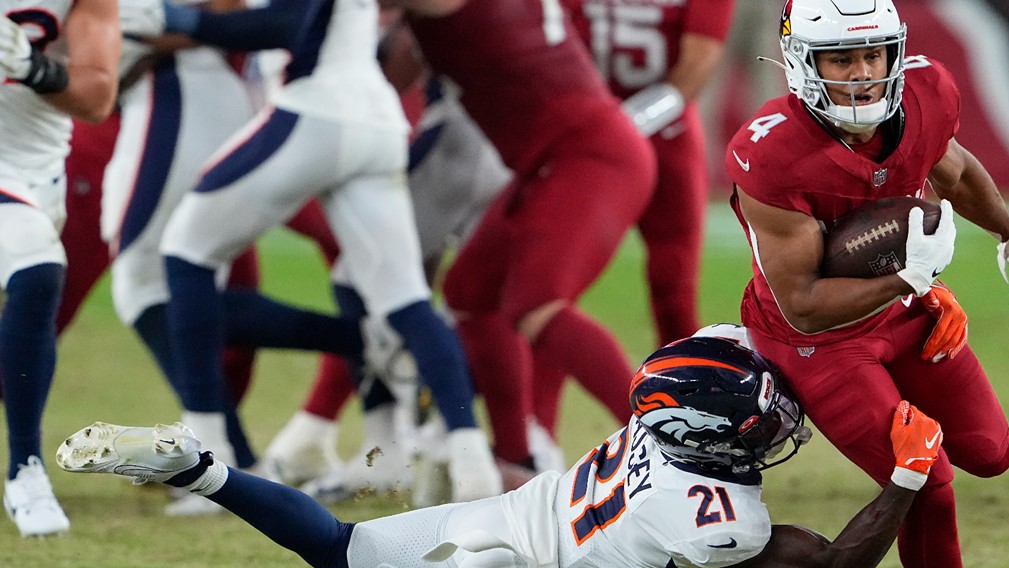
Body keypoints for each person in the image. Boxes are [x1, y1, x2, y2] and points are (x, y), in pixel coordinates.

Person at [21, 333, 944, 568]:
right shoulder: (718, 513)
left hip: (500, 514)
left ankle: (199, 468)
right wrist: (906, 473)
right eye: (761, 419)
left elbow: (747, 345)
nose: (780, 427)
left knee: (339, 545)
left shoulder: (670, 394)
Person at [723, 1, 1009, 568]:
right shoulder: (771, 153)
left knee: (990, 453)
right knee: (927, 475)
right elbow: (805, 306)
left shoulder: (926, 93)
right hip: (815, 342)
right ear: (800, 62)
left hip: (901, 311)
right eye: (841, 57)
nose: (862, 73)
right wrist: (909, 278)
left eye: (873, 53)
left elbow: (950, 168)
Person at [152, 0, 503, 503]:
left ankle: (209, 461)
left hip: (317, 107)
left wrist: (183, 21)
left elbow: (289, 23)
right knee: (402, 298)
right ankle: (471, 469)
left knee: (187, 252)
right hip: (375, 118)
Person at [396, 0, 658, 474]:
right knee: (470, 291)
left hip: (586, 154)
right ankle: (516, 459)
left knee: (539, 306)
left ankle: (670, 446)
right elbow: (401, 67)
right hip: (552, 158)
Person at [525, 0, 736, 462]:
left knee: (673, 291)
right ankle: (534, 435)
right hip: (587, 141)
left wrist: (621, 128)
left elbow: (696, 69)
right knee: (554, 290)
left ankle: (696, 429)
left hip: (664, 138)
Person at [0, 0, 119, 536]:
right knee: (38, 266)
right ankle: (26, 466)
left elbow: (97, 96)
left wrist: (29, 65)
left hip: (39, 176)